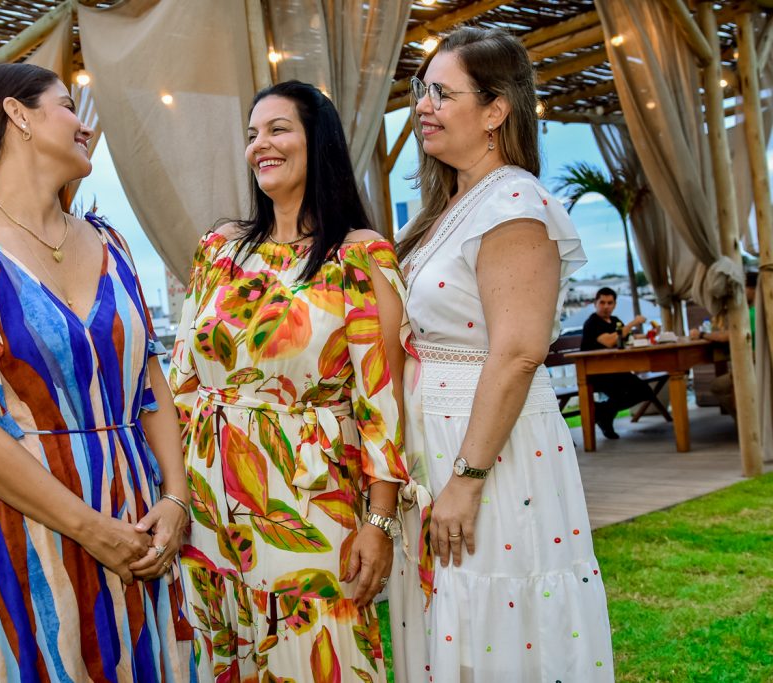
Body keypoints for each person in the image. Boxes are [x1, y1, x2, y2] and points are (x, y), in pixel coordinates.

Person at [0, 63, 194, 681]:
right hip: (33, 521)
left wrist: (175, 497)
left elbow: (151, 387)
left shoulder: (112, 243)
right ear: (19, 115)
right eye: (68, 106)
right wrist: (90, 529)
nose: (85, 126)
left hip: (140, 517)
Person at [169, 80, 410, 682]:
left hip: (306, 501)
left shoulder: (359, 256)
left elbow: (383, 404)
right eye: (252, 134)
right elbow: (180, 380)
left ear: (317, 142)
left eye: (278, 129)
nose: (261, 145)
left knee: (317, 653)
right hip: (208, 500)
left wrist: (377, 525)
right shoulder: (218, 251)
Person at [394, 27, 614, 682]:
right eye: (420, 90)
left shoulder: (514, 205)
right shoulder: (452, 205)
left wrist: (467, 478)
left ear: (495, 111)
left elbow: (518, 352)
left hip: (491, 453)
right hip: (441, 442)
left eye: (441, 92)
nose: (423, 106)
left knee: (494, 612)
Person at [580, 287, 654, 439]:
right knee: (623, 392)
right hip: (596, 373)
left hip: (617, 371)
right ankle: (603, 415)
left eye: (610, 303)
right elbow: (609, 341)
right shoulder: (592, 323)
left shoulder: (615, 321)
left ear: (614, 304)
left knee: (645, 391)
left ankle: (601, 412)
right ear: (595, 303)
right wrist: (633, 323)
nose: (606, 306)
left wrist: (651, 334)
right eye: (602, 302)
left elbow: (629, 339)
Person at [689, 270, 759, 416]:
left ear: (752, 289)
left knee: (718, 386)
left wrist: (701, 334)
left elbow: (726, 337)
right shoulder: (758, 311)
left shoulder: (751, 313)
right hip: (756, 363)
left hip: (754, 365)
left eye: (742, 289)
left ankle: (744, 421)